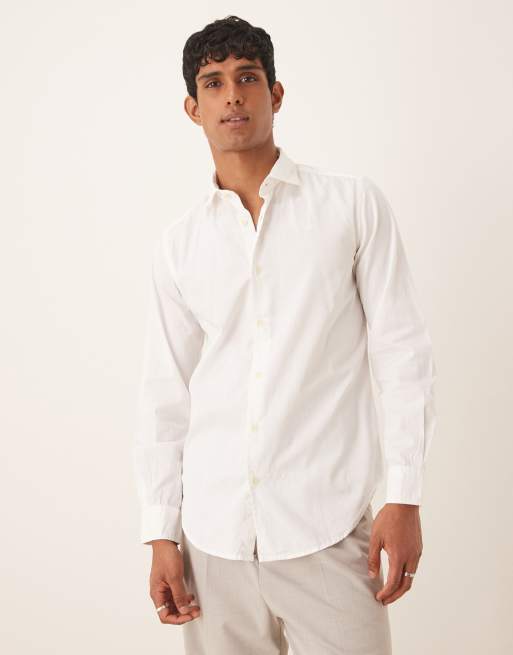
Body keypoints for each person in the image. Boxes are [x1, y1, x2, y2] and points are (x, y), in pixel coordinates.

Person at [132, 14, 437, 655]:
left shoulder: (351, 206)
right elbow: (166, 395)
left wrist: (404, 494)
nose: (232, 96)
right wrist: (160, 530)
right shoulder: (179, 245)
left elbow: (402, 352)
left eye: (247, 78)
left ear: (276, 94)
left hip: (327, 530)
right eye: (213, 83)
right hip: (213, 541)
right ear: (193, 109)